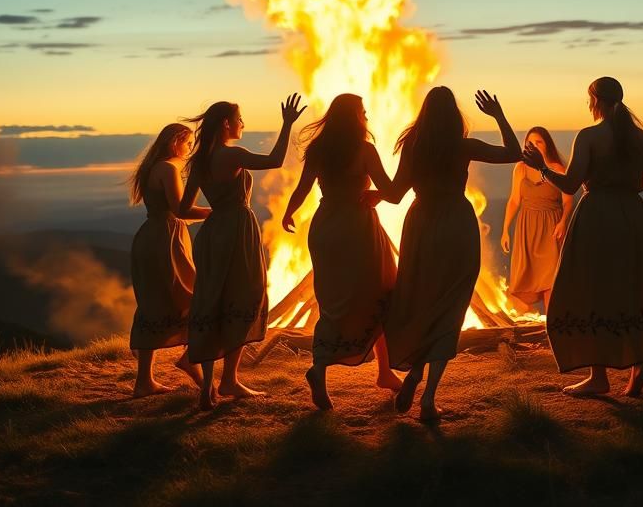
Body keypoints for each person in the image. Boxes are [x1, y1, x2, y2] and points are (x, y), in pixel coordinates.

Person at [523, 77, 643, 397]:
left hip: (597, 215)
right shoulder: (640, 138)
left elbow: (570, 184)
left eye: (589, 98)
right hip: (631, 217)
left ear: (595, 100)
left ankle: (599, 376)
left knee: (592, 288)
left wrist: (542, 168)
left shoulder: (590, 136)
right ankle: (638, 365)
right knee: (630, 285)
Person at [372, 88, 520, 421]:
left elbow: (395, 195)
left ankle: (413, 374)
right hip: (456, 224)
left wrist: (368, 190)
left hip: (421, 226)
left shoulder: (413, 146)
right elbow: (513, 152)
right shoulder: (462, 146)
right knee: (450, 306)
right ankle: (428, 398)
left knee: (422, 299)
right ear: (454, 115)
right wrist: (497, 115)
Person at [180, 94, 305, 409]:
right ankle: (230, 380)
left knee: (212, 298)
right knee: (243, 296)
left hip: (212, 235)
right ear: (226, 124)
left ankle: (208, 388)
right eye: (239, 119)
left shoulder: (200, 161)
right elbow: (275, 160)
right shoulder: (233, 155)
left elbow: (182, 208)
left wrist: (214, 213)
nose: (243, 124)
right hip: (238, 231)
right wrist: (287, 124)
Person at [281, 94, 402, 410]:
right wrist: (376, 193)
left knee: (333, 302)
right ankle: (384, 371)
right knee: (379, 292)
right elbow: (391, 192)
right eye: (363, 112)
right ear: (355, 118)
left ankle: (320, 367)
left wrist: (288, 213)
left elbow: (303, 189)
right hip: (357, 230)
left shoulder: (319, 150)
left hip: (325, 228)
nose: (366, 116)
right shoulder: (365, 151)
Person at [127, 123, 209, 397]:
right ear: (175, 142)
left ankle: (144, 381)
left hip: (153, 237)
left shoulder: (155, 166)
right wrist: (219, 211)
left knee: (154, 303)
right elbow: (180, 209)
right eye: (187, 142)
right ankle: (191, 361)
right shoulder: (168, 168)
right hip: (165, 240)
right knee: (191, 297)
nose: (189, 148)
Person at [501, 127, 573, 313]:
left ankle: (552, 325)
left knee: (550, 279)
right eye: (530, 143)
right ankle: (527, 326)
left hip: (551, 226)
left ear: (547, 145)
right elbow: (514, 200)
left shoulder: (558, 169)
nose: (534, 146)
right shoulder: (520, 169)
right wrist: (505, 230)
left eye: (538, 142)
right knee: (526, 278)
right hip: (527, 227)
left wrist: (563, 222)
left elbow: (567, 201)